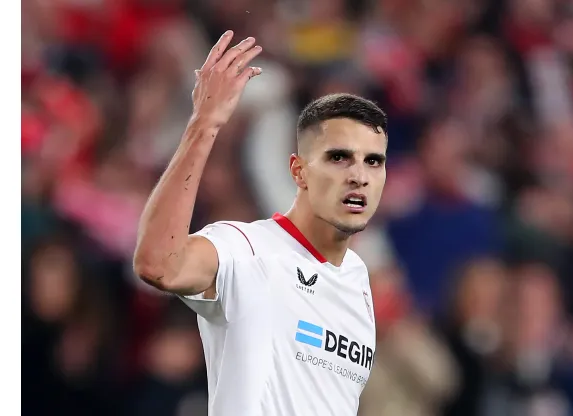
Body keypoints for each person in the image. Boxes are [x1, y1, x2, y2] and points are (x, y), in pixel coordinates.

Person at [133, 30, 388, 416]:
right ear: (298, 172)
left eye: (373, 161)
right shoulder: (247, 249)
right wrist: (204, 126)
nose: (359, 175)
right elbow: (158, 263)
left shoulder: (358, 280)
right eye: (339, 158)